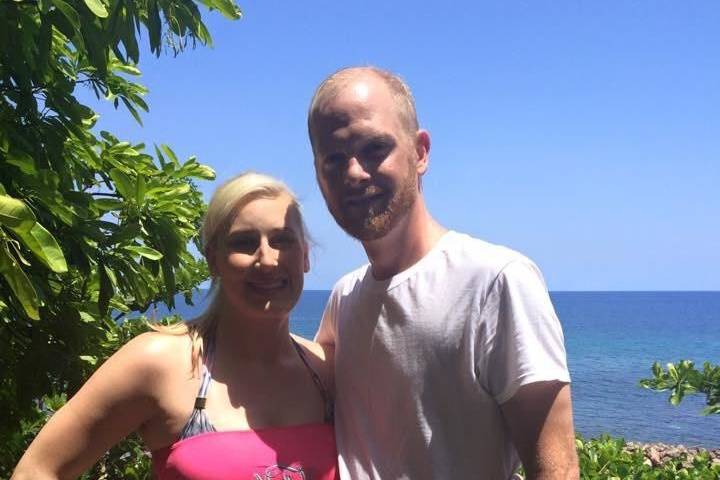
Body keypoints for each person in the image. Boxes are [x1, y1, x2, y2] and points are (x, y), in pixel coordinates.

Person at [308, 66, 578, 479]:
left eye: (375, 148)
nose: (355, 173)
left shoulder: (496, 281)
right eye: (335, 159)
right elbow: (285, 369)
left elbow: (555, 469)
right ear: (319, 174)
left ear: (420, 153)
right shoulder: (344, 299)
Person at [12, 172, 338, 480]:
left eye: (282, 240)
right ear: (213, 260)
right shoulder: (159, 362)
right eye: (244, 242)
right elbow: (36, 471)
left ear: (305, 256)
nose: (267, 260)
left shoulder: (326, 371)